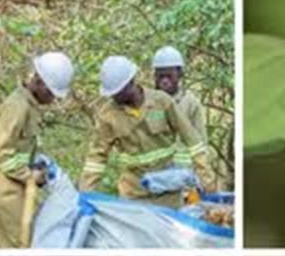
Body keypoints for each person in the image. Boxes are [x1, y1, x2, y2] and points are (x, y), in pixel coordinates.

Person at [80, 56, 212, 206]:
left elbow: (193, 141)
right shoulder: (108, 116)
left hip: (168, 191)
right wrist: (85, 194)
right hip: (134, 194)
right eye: (111, 93)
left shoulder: (162, 102)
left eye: (118, 91)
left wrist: (205, 177)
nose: (114, 97)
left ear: (131, 82)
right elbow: (96, 158)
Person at [0, 52, 74, 247]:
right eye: (51, 94)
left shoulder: (29, 105)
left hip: (16, 188)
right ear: (39, 82)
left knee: (4, 247)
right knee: (20, 247)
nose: (52, 100)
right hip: (6, 192)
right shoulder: (17, 106)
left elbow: (20, 148)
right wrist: (30, 175)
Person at [152, 46, 214, 190]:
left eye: (169, 76)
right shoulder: (149, 104)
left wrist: (201, 177)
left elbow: (201, 143)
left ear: (179, 74)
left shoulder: (190, 103)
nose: (164, 81)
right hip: (157, 180)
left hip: (185, 181)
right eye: (161, 76)